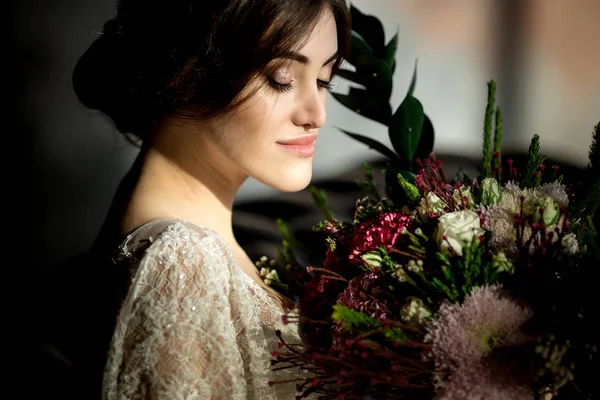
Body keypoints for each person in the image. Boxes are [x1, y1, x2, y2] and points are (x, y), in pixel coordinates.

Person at [71, 0, 350, 398]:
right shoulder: (183, 262)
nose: (316, 113)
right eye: (280, 78)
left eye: (324, 80)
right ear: (190, 70)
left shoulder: (187, 245)